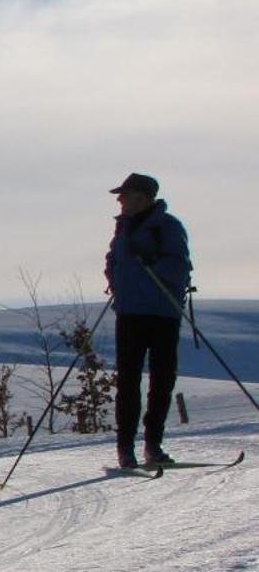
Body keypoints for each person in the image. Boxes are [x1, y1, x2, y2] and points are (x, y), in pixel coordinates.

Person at [104, 171, 192, 471]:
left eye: (125, 194)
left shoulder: (168, 227)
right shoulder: (123, 229)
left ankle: (153, 445)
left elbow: (179, 269)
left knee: (161, 380)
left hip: (162, 313)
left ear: (141, 197)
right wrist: (116, 283)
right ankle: (125, 449)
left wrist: (151, 260)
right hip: (129, 314)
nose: (120, 200)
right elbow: (112, 262)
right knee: (127, 382)